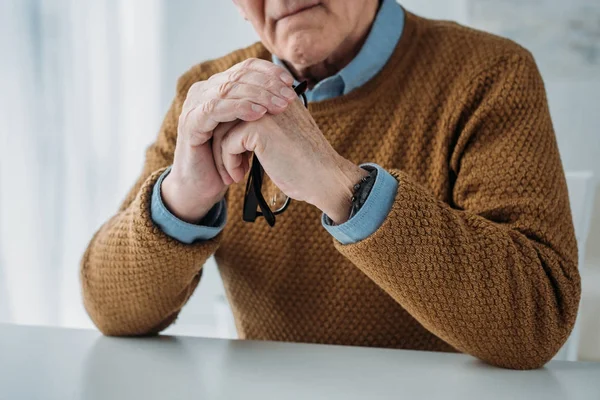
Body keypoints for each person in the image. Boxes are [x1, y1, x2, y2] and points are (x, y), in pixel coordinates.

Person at [80, 0, 580, 370]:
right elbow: (109, 307)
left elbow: (536, 321)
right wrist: (185, 196)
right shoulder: (212, 93)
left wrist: (340, 185)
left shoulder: (490, 73)